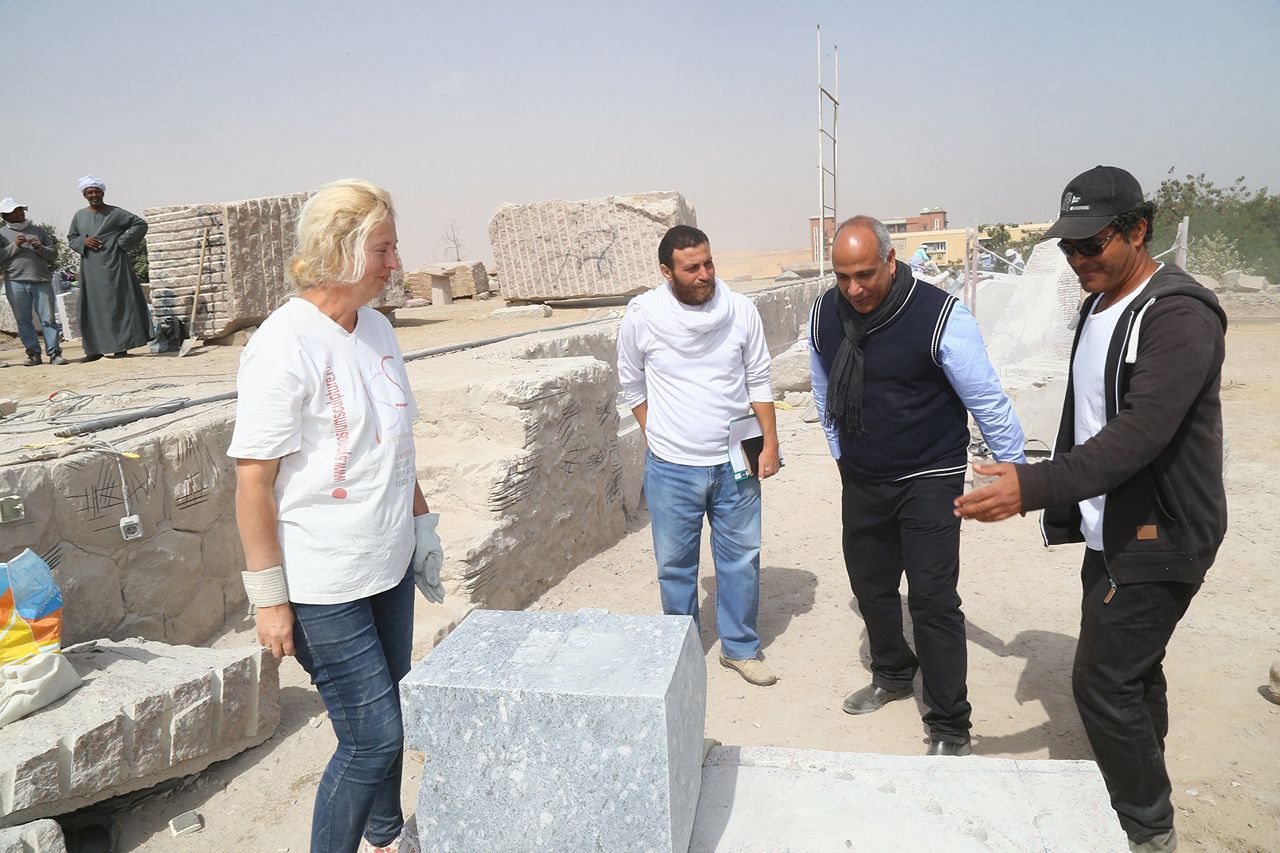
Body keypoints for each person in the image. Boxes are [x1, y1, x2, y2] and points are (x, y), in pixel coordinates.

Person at [954, 166, 1227, 853]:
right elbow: (1090, 421)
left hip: (1161, 533)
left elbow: (1138, 434)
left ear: (1138, 230)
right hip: (1115, 529)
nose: (1078, 259)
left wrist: (1034, 486)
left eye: (1091, 244)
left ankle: (1146, 829)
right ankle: (1147, 788)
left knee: (1102, 682)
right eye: (1068, 247)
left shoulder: (1177, 317)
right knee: (1134, 671)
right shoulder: (1100, 304)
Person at [228, 179, 444, 853]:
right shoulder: (283, 344)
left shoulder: (377, 328)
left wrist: (422, 526)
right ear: (339, 248)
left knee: (390, 712)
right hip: (325, 582)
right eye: (383, 249)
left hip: (388, 563)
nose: (395, 264)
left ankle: (385, 836)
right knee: (370, 737)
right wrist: (270, 598)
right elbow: (253, 483)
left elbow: (395, 443)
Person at [809, 216, 1025, 755]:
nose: (853, 289)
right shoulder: (823, 314)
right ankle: (892, 673)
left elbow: (986, 398)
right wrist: (839, 453)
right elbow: (822, 385)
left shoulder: (939, 316)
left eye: (864, 275)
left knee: (932, 600)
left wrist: (1018, 470)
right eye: (842, 277)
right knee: (871, 585)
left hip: (929, 476)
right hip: (863, 476)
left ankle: (950, 723)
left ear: (890, 260)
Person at [616, 224, 781, 687]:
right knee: (675, 566)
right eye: (692, 268)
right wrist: (656, 434)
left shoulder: (740, 310)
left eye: (708, 263)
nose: (705, 274)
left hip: (737, 459)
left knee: (742, 557)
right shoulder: (643, 317)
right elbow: (631, 381)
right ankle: (682, 654)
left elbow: (759, 378)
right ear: (666, 271)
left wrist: (770, 444)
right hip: (671, 467)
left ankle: (740, 648)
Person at [66, 175, 150, 361]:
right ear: (84, 195)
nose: (94, 195)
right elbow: (72, 237)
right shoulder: (79, 216)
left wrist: (121, 242)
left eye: (96, 191)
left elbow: (140, 224)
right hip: (91, 268)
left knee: (117, 304)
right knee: (92, 307)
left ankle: (121, 347)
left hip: (115, 265)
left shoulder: (116, 213)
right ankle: (95, 350)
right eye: (90, 192)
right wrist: (83, 241)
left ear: (102, 193)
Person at [1, 198, 66, 365]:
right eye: (14, 211)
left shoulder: (38, 231)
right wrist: (15, 246)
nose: (20, 213)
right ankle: (33, 354)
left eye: (20, 209)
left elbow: (53, 255)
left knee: (48, 318)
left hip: (41, 280)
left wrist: (40, 247)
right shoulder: (2, 234)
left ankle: (54, 353)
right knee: (23, 320)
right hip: (15, 282)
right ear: (5, 216)